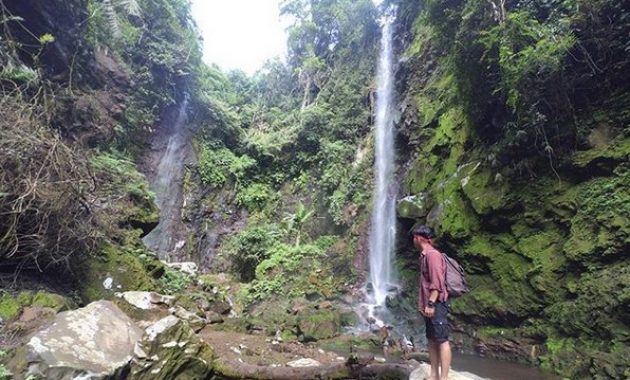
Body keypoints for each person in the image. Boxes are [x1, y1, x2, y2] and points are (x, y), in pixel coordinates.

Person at [413, 225, 451, 380]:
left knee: (442, 340)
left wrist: (430, 304)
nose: (413, 241)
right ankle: (434, 374)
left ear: (419, 238)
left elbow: (437, 283)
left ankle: (444, 377)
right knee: (431, 339)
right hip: (429, 305)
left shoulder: (433, 255)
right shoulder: (424, 256)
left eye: (414, 238)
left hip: (436, 304)